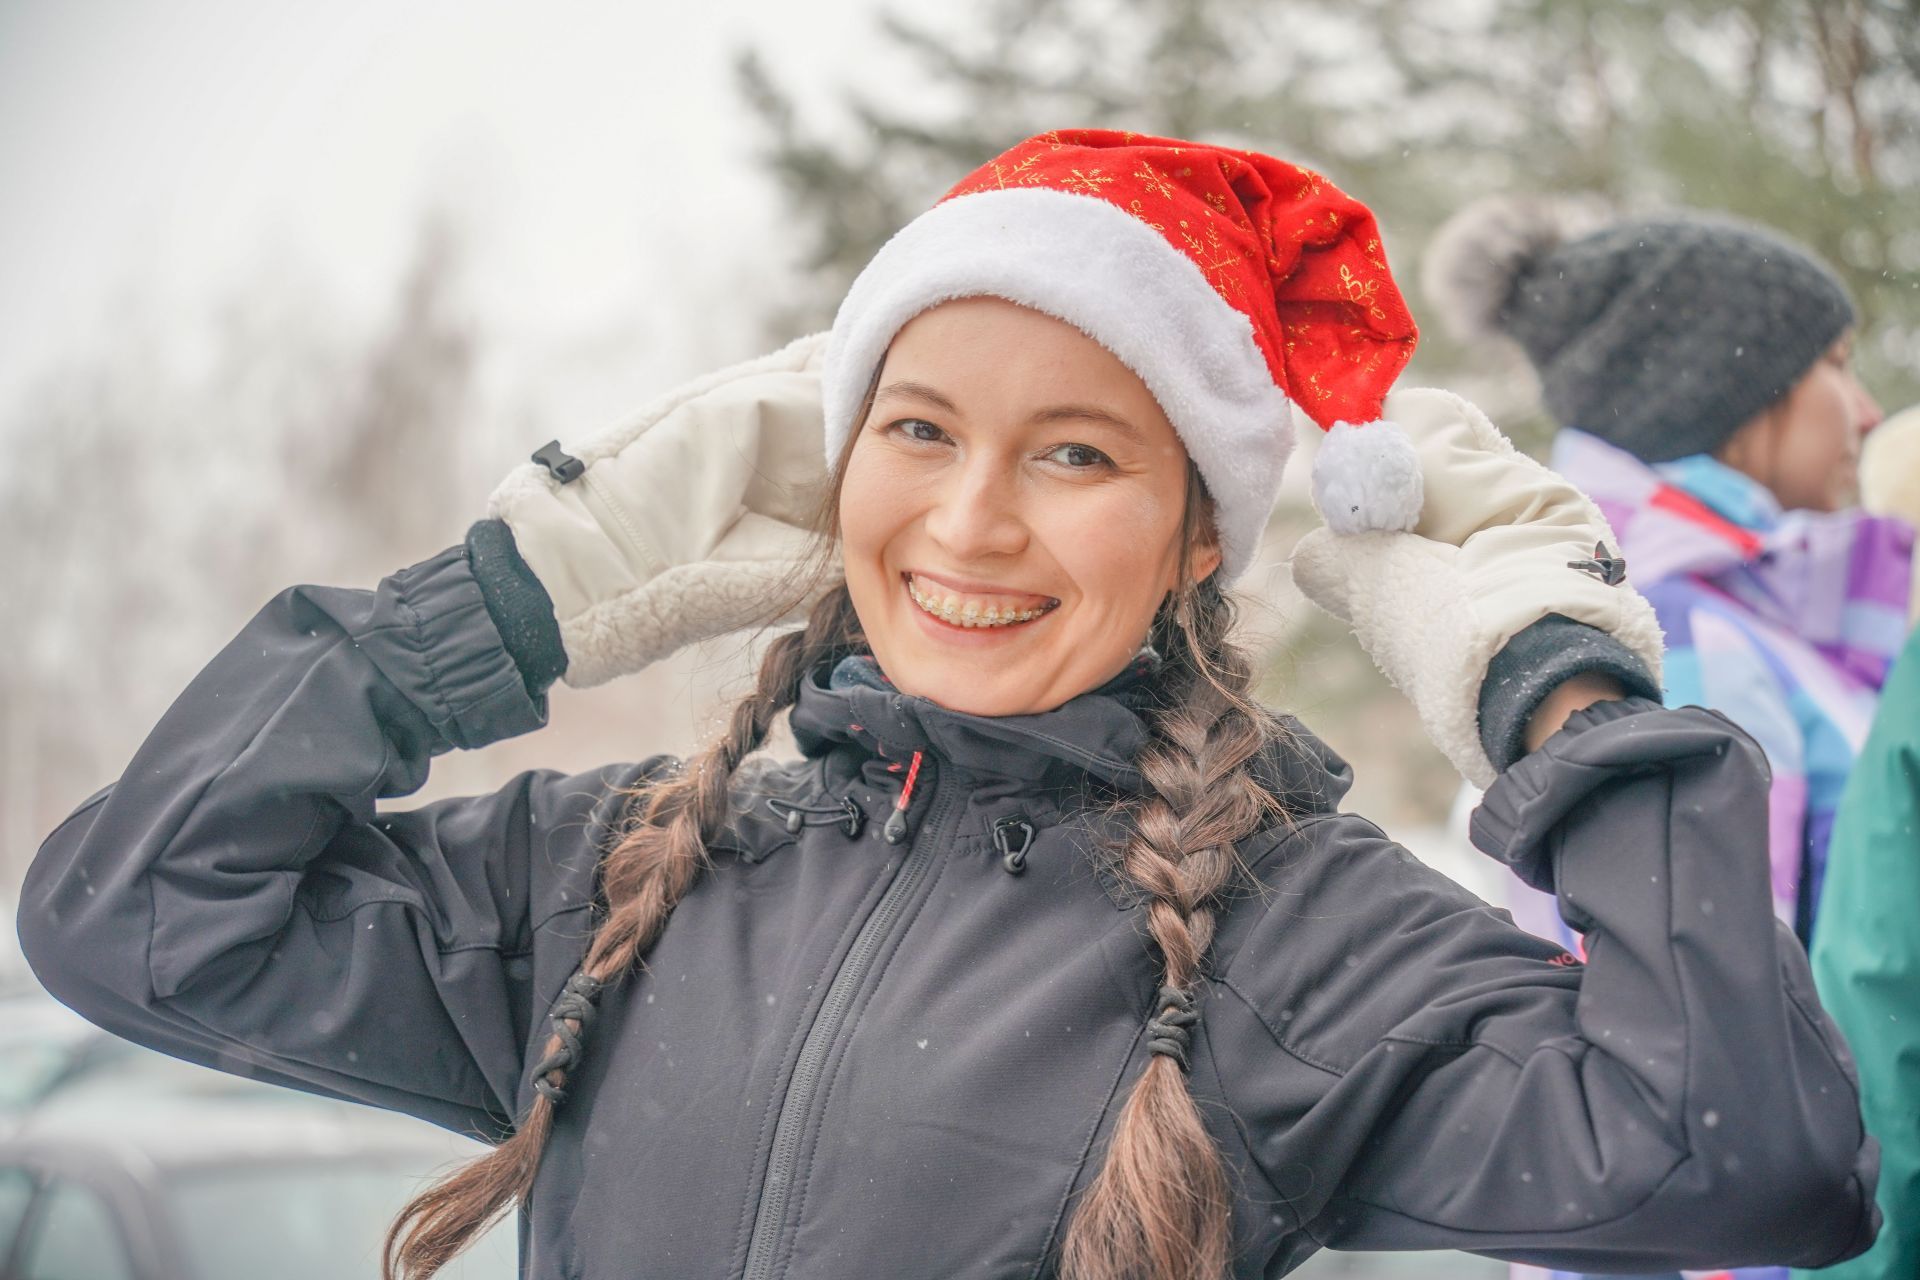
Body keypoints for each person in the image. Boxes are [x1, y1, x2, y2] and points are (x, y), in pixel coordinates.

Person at [17, 131, 1877, 1280]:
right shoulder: (614, 879)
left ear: (1195, 539)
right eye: (916, 431)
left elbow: (1749, 1166)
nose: (971, 522)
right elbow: (141, 915)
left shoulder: (1301, 948)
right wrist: (526, 586)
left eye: (1075, 453)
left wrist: (1549, 677)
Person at [1424, 201, 1913, 1280]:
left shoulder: (1762, 621)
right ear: (1736, 399)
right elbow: (1709, 1064)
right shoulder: (1679, 643)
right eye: (1835, 364)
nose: (1868, 409)